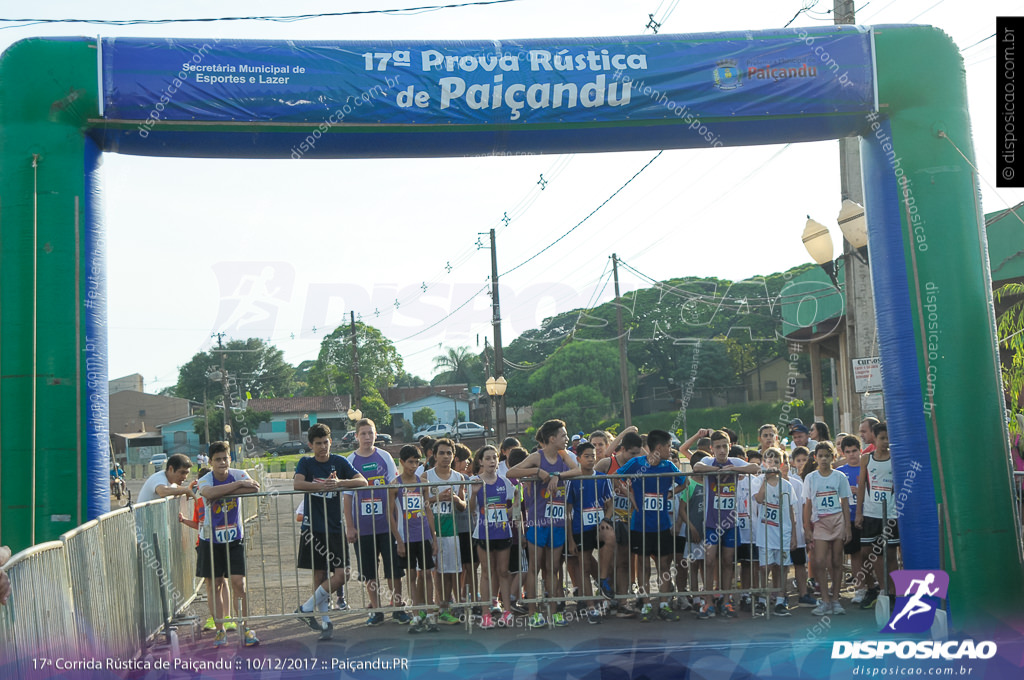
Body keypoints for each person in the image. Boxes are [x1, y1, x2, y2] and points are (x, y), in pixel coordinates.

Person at [294, 423, 367, 640]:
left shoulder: (339, 461)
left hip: (334, 527)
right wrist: (322, 486)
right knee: (319, 574)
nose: (323, 447)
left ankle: (306, 608)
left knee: (342, 574)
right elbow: (298, 484)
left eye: (326, 442)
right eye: (318, 444)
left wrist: (339, 483)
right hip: (312, 528)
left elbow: (362, 481)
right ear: (310, 445)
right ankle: (325, 623)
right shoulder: (306, 462)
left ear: (330, 442)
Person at [506, 419, 579, 628]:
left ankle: (554, 612)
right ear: (551, 438)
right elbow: (511, 472)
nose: (566, 439)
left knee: (553, 568)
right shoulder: (536, 457)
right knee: (535, 567)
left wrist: (557, 475)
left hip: (557, 521)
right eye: (563, 435)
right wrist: (537, 472)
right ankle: (533, 612)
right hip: (538, 522)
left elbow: (579, 470)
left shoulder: (564, 456)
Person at [616, 430, 690, 622]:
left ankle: (664, 604)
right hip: (640, 525)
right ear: (659, 447)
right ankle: (647, 604)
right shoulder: (637, 463)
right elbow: (616, 476)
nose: (671, 449)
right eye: (669, 446)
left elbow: (685, 482)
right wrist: (629, 494)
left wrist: (670, 494)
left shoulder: (669, 465)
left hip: (662, 525)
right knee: (642, 566)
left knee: (664, 565)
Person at [197, 441, 261, 647]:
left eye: (225, 458)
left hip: (234, 539)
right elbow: (208, 493)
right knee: (214, 585)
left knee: (238, 584)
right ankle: (220, 630)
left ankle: (245, 627)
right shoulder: (206, 478)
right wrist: (236, 487)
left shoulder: (240, 473)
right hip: (210, 540)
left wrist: (222, 492)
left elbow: (254, 489)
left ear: (230, 458)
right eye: (217, 460)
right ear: (210, 462)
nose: (222, 462)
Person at [343, 418, 407, 626]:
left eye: (370, 433)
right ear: (356, 436)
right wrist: (350, 526)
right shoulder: (350, 460)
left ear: (376, 435)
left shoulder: (384, 457)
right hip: (363, 528)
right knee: (369, 571)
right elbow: (347, 496)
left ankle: (398, 608)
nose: (367, 437)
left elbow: (394, 488)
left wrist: (398, 521)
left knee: (393, 569)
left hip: (387, 524)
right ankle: (376, 610)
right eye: (363, 434)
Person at [692, 430, 760, 619]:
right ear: (712, 449)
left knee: (728, 561)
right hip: (712, 522)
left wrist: (733, 470)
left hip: (731, 522)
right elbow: (697, 467)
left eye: (725, 446)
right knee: (709, 560)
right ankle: (708, 602)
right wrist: (716, 471)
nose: (722, 451)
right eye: (718, 447)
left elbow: (755, 468)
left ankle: (726, 599)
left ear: (729, 447)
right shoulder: (708, 462)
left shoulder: (735, 462)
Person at [389, 445, 439, 634]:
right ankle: (416, 614)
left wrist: (433, 538)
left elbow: (428, 511)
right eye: (410, 462)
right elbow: (390, 515)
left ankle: (430, 613)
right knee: (411, 576)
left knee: (427, 574)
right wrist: (399, 541)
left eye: (416, 462)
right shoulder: (395, 485)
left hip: (423, 535)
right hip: (406, 537)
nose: (413, 465)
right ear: (401, 462)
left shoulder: (421, 483)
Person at [563, 441, 613, 624]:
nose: (591, 459)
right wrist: (570, 539)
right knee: (583, 565)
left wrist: (605, 519)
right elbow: (567, 511)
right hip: (579, 528)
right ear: (578, 459)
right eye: (587, 456)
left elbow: (610, 505)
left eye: (593, 456)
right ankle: (591, 607)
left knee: (611, 536)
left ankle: (602, 578)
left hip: (598, 526)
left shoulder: (602, 477)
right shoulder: (573, 480)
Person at [594, 427, 641, 616]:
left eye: (638, 453)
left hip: (628, 518)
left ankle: (623, 602)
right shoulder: (607, 463)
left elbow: (651, 457)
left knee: (624, 562)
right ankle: (606, 599)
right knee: (609, 562)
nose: (635, 457)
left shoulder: (639, 465)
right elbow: (589, 479)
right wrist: (611, 485)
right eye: (632, 453)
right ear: (622, 450)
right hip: (608, 519)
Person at [468, 445, 516, 629]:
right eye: (487, 458)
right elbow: (471, 509)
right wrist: (473, 494)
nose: (492, 461)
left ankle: (507, 612)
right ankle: (486, 614)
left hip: (502, 532)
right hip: (483, 533)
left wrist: (510, 511)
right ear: (480, 461)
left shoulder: (505, 482)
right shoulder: (474, 481)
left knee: (503, 572)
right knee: (487, 572)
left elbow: (514, 506)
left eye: (494, 458)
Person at [803, 441, 853, 616]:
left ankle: (835, 599)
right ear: (815, 458)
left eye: (827, 456)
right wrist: (807, 528)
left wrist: (848, 527)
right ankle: (824, 599)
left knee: (836, 562)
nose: (824, 459)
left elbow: (845, 503)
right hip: (820, 522)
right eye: (821, 456)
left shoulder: (839, 477)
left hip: (837, 519)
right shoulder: (811, 478)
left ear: (833, 457)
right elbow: (807, 505)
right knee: (819, 561)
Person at [856, 421, 900, 610]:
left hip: (890, 513)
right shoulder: (866, 459)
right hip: (870, 512)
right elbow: (861, 486)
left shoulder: (895, 459)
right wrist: (858, 512)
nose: (885, 442)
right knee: (867, 553)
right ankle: (878, 589)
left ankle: (893, 592)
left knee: (890, 555)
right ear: (875, 438)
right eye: (882, 438)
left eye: (888, 438)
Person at [425, 438, 466, 625]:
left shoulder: (459, 478)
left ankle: (446, 607)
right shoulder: (426, 477)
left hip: (451, 531)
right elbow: (421, 504)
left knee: (450, 571)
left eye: (449, 453)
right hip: (432, 531)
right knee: (436, 572)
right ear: (434, 455)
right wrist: (437, 498)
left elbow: (463, 506)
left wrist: (457, 500)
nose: (445, 456)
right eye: (441, 453)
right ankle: (437, 607)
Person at [752, 448, 797, 616]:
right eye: (769, 462)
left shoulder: (786, 485)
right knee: (765, 568)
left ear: (781, 464)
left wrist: (793, 535)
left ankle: (780, 599)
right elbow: (759, 499)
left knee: (782, 567)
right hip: (765, 532)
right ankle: (763, 600)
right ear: (764, 463)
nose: (773, 465)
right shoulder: (759, 481)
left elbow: (791, 512)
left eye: (776, 462)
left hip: (782, 533)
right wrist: (765, 479)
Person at [179, 467, 218, 631]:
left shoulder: (217, 497)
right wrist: (184, 520)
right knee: (212, 584)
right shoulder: (198, 501)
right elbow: (198, 524)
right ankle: (216, 618)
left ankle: (221, 618)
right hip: (202, 543)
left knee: (217, 583)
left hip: (218, 542)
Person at [835, 435, 867, 604]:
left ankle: (873, 585)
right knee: (855, 555)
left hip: (868, 515)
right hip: (850, 518)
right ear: (843, 453)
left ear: (860, 450)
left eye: (855, 451)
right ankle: (860, 588)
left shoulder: (866, 468)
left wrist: (860, 491)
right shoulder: (840, 473)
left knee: (869, 553)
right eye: (848, 452)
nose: (852, 454)